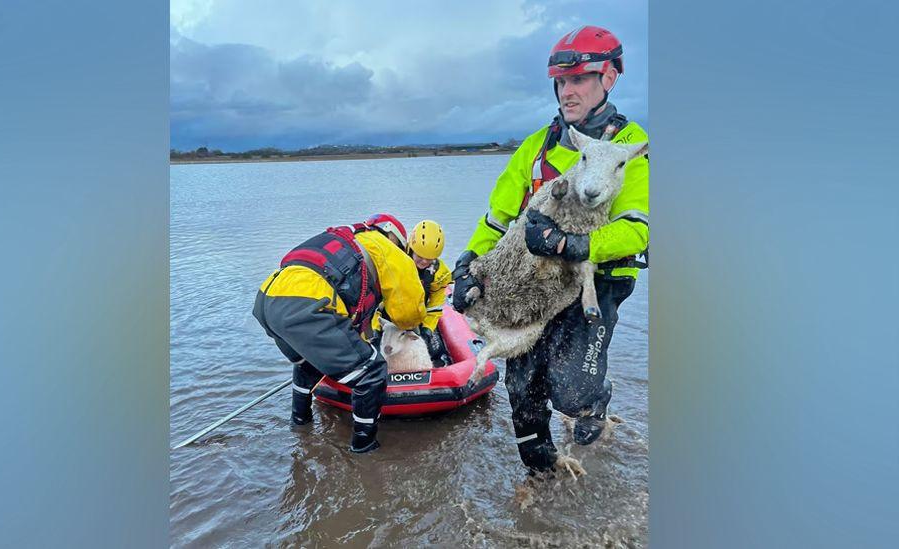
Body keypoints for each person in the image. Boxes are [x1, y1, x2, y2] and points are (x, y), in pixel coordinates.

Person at [451, 25, 649, 472]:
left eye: (579, 79)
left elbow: (638, 229)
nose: (567, 91)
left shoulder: (630, 147)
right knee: (521, 387)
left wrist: (571, 244)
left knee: (571, 391)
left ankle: (594, 401)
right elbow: (497, 221)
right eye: (561, 82)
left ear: (609, 79)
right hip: (532, 285)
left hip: (596, 283)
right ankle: (539, 474)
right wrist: (469, 265)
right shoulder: (536, 147)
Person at [253, 213, 425, 453]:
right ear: (395, 239)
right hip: (308, 307)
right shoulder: (390, 251)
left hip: (267, 301)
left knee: (309, 363)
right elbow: (409, 315)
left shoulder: (345, 239)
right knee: (371, 373)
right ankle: (364, 448)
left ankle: (300, 423)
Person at [407, 220, 452, 361]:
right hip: (391, 317)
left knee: (436, 352)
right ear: (412, 248)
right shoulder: (396, 263)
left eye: (429, 259)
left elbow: (435, 304)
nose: (424, 262)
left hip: (420, 316)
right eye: (420, 257)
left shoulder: (440, 273)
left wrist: (426, 329)